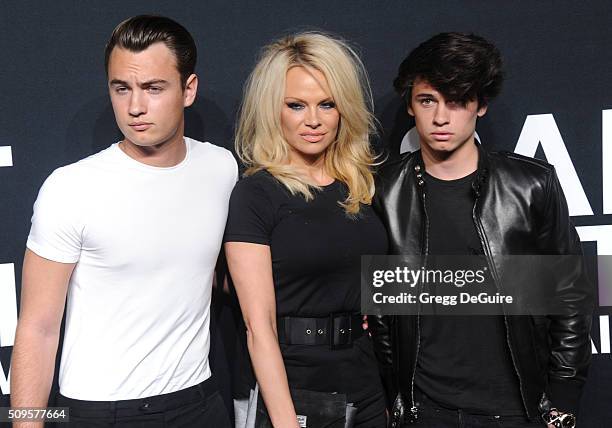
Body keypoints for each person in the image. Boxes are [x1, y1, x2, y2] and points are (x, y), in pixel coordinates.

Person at [10, 15, 236, 427]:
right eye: (121, 88)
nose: (134, 107)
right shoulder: (71, 187)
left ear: (188, 90)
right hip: (98, 411)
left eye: (153, 88)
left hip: (199, 401)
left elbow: (221, 273)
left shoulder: (221, 169)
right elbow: (38, 329)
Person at [369, 32, 593, 427]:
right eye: (428, 101)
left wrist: (563, 397)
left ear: (481, 105)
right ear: (410, 105)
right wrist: (394, 396)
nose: (441, 117)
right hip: (422, 410)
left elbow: (570, 294)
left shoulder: (531, 184)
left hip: (517, 408)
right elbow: (383, 309)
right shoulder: (383, 192)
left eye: (457, 102)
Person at [224, 32, 387, 427]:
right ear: (273, 111)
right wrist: (285, 421)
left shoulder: (360, 185)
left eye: (326, 104)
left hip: (366, 383)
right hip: (295, 388)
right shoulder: (256, 193)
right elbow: (257, 327)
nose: (313, 120)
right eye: (296, 105)